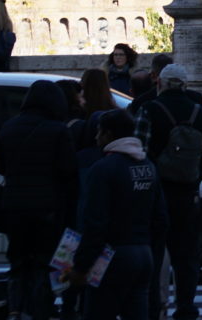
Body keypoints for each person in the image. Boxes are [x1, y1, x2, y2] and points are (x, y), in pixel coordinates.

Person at [65, 108, 168, 320]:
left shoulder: (103, 169)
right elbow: (161, 219)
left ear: (109, 134)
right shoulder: (148, 166)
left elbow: (94, 223)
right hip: (143, 253)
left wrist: (81, 266)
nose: (96, 137)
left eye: (99, 132)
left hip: (112, 256)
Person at [132, 63, 202, 320]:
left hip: (157, 191)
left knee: (155, 251)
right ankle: (186, 305)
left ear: (160, 83)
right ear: (185, 85)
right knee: (187, 254)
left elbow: (139, 150)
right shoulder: (200, 114)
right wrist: (194, 175)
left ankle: (154, 305)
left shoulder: (149, 109)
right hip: (188, 192)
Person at [0, 79, 77, 320]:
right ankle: (41, 311)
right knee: (43, 263)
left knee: (18, 263)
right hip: (47, 208)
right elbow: (68, 169)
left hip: (14, 207)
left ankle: (15, 310)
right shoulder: (58, 130)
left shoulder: (9, 127)